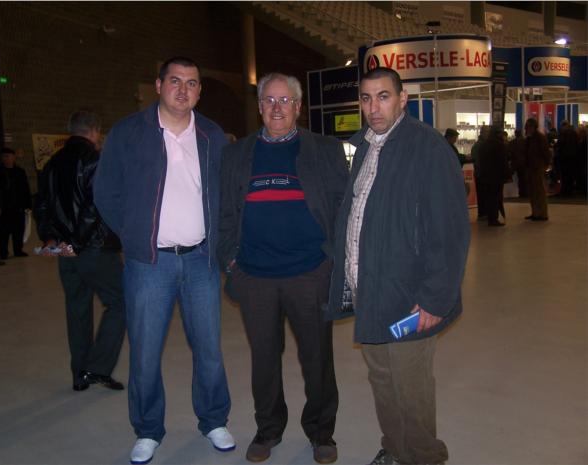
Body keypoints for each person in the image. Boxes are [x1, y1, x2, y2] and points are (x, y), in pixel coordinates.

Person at [325, 67, 470, 465]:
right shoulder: (365, 147)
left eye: (384, 96)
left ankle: (424, 456)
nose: (374, 107)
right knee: (382, 379)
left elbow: (450, 230)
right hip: (370, 289)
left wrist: (436, 298)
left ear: (403, 99)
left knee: (410, 386)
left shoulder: (428, 148)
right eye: (366, 98)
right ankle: (395, 449)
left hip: (409, 298)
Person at [93, 56, 234, 465]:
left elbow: (226, 193)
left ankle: (213, 419)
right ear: (158, 85)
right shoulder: (129, 132)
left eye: (191, 83)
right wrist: (134, 235)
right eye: (175, 81)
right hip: (149, 264)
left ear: (199, 91)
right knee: (145, 352)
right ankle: (148, 429)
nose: (182, 90)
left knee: (209, 349)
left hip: (201, 261)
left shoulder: (211, 135)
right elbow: (105, 192)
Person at [218, 72, 348, 464]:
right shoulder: (236, 154)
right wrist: (231, 261)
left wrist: (331, 261)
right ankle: (268, 429)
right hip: (255, 275)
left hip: (310, 273)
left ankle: (321, 432)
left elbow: (343, 208)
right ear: (260, 106)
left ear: (298, 106)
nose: (277, 108)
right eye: (269, 101)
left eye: (285, 100)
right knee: (264, 360)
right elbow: (224, 213)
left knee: (317, 359)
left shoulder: (325, 150)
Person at [34, 110, 126, 394]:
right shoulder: (95, 160)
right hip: (94, 249)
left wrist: (50, 237)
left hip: (65, 251)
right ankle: (96, 368)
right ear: (95, 131)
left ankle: (79, 374)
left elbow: (42, 204)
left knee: (77, 309)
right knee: (122, 302)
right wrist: (78, 242)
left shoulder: (52, 163)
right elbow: (94, 207)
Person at [0, 147, 32, 258]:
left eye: (8, 156)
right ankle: (3, 252)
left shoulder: (20, 171)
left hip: (18, 206)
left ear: (13, 157)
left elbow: (25, 188)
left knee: (18, 230)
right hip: (4, 206)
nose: (6, 159)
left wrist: (28, 204)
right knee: (3, 231)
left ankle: (18, 250)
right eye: (3, 156)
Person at [479, 127, 509, 226]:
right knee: (496, 198)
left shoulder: (484, 145)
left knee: (489, 197)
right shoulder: (499, 145)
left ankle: (490, 217)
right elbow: (503, 161)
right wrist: (506, 174)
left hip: (486, 176)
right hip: (496, 176)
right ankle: (494, 218)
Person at [523, 118, 552, 221]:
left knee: (539, 191)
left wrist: (545, 165)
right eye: (527, 127)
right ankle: (535, 212)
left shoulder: (540, 138)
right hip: (530, 168)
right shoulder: (529, 139)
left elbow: (546, 153)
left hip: (538, 167)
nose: (528, 129)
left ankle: (542, 214)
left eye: (530, 127)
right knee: (532, 192)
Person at [471, 125, 490, 220]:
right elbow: (477, 161)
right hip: (481, 173)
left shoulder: (481, 145)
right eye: (487, 132)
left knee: (484, 194)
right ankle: (483, 213)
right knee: (482, 194)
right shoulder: (479, 145)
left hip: (482, 173)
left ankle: (484, 213)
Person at [555, 121, 578, 196]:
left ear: (563, 126)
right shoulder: (574, 133)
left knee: (564, 174)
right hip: (573, 157)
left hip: (564, 157)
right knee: (570, 174)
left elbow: (560, 144)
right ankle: (570, 190)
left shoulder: (563, 133)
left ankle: (564, 191)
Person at [508, 129, 527, 197]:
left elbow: (509, 153)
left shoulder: (512, 143)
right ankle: (523, 192)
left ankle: (520, 192)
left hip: (515, 163)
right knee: (523, 179)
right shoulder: (525, 142)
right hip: (523, 163)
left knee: (519, 178)